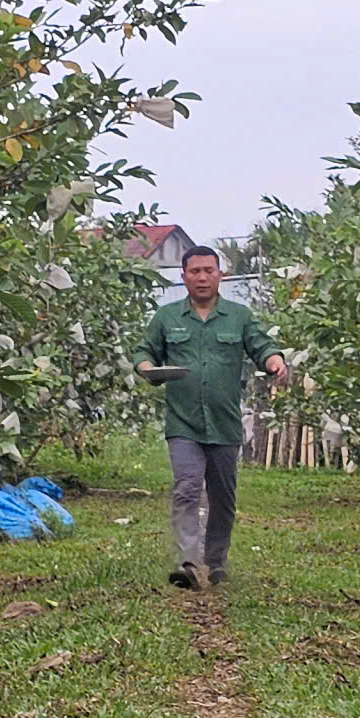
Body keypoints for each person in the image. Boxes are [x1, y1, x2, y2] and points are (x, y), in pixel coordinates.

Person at [135, 244, 286, 589]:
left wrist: (274, 360)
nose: (202, 277)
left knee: (222, 496)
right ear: (183, 276)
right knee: (187, 487)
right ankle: (187, 563)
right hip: (183, 422)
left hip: (224, 422)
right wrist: (145, 366)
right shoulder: (167, 317)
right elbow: (145, 350)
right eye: (195, 271)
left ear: (221, 275)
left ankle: (216, 562)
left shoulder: (239, 316)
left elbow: (261, 346)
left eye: (208, 270)